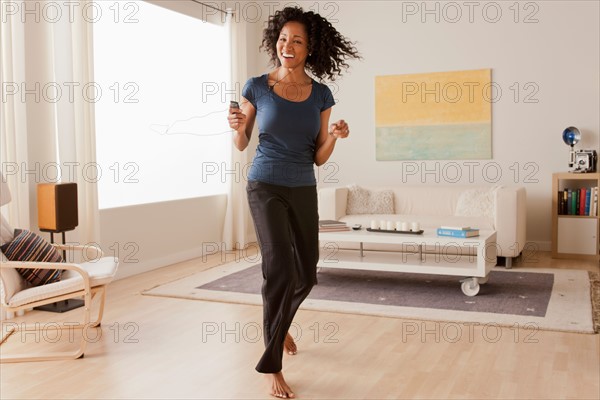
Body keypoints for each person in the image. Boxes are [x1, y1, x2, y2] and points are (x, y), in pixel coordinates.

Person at [227, 6, 360, 399]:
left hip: (302, 186)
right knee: (280, 269)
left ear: (309, 49)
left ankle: (280, 323)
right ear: (276, 42)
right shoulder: (257, 86)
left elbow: (318, 156)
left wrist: (335, 135)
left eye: (297, 41)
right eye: (284, 39)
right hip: (264, 185)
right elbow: (242, 142)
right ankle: (272, 367)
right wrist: (235, 127)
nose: (288, 46)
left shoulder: (320, 94)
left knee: (307, 274)